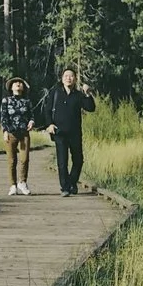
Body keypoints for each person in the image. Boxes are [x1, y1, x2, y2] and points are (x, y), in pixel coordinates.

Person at [36, 66, 94, 196]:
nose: (69, 78)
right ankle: (65, 188)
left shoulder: (79, 95)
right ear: (62, 79)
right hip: (59, 132)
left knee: (78, 160)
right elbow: (48, 110)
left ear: (75, 79)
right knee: (62, 161)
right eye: (66, 76)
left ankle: (72, 182)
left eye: (71, 76)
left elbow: (90, 108)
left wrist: (88, 94)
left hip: (75, 133)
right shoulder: (55, 92)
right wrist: (49, 124)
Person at [0, 77, 36, 195]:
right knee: (12, 160)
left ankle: (22, 182)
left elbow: (31, 115)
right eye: (15, 83)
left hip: (24, 133)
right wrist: (4, 131)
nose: (18, 84)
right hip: (11, 133)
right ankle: (13, 185)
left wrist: (31, 122)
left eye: (20, 83)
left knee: (24, 159)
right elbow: (3, 117)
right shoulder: (6, 101)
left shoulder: (27, 101)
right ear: (11, 87)